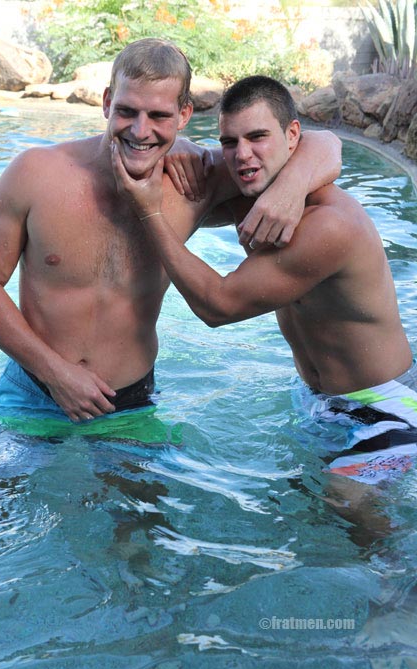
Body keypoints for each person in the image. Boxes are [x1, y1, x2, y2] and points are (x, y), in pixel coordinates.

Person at [0, 40, 341, 428]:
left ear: (184, 114)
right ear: (107, 102)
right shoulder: (35, 173)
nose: (140, 131)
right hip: (34, 389)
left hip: (130, 402)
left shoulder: (195, 179)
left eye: (159, 115)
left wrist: (291, 187)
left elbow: (324, 144)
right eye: (127, 111)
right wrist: (55, 373)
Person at [112, 73, 417, 484]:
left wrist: (149, 211)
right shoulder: (252, 187)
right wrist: (175, 147)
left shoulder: (329, 226)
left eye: (258, 137)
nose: (242, 155)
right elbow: (321, 144)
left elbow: (218, 306)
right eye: (229, 142)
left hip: (383, 406)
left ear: (292, 136)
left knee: (350, 512)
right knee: (308, 507)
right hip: (315, 397)